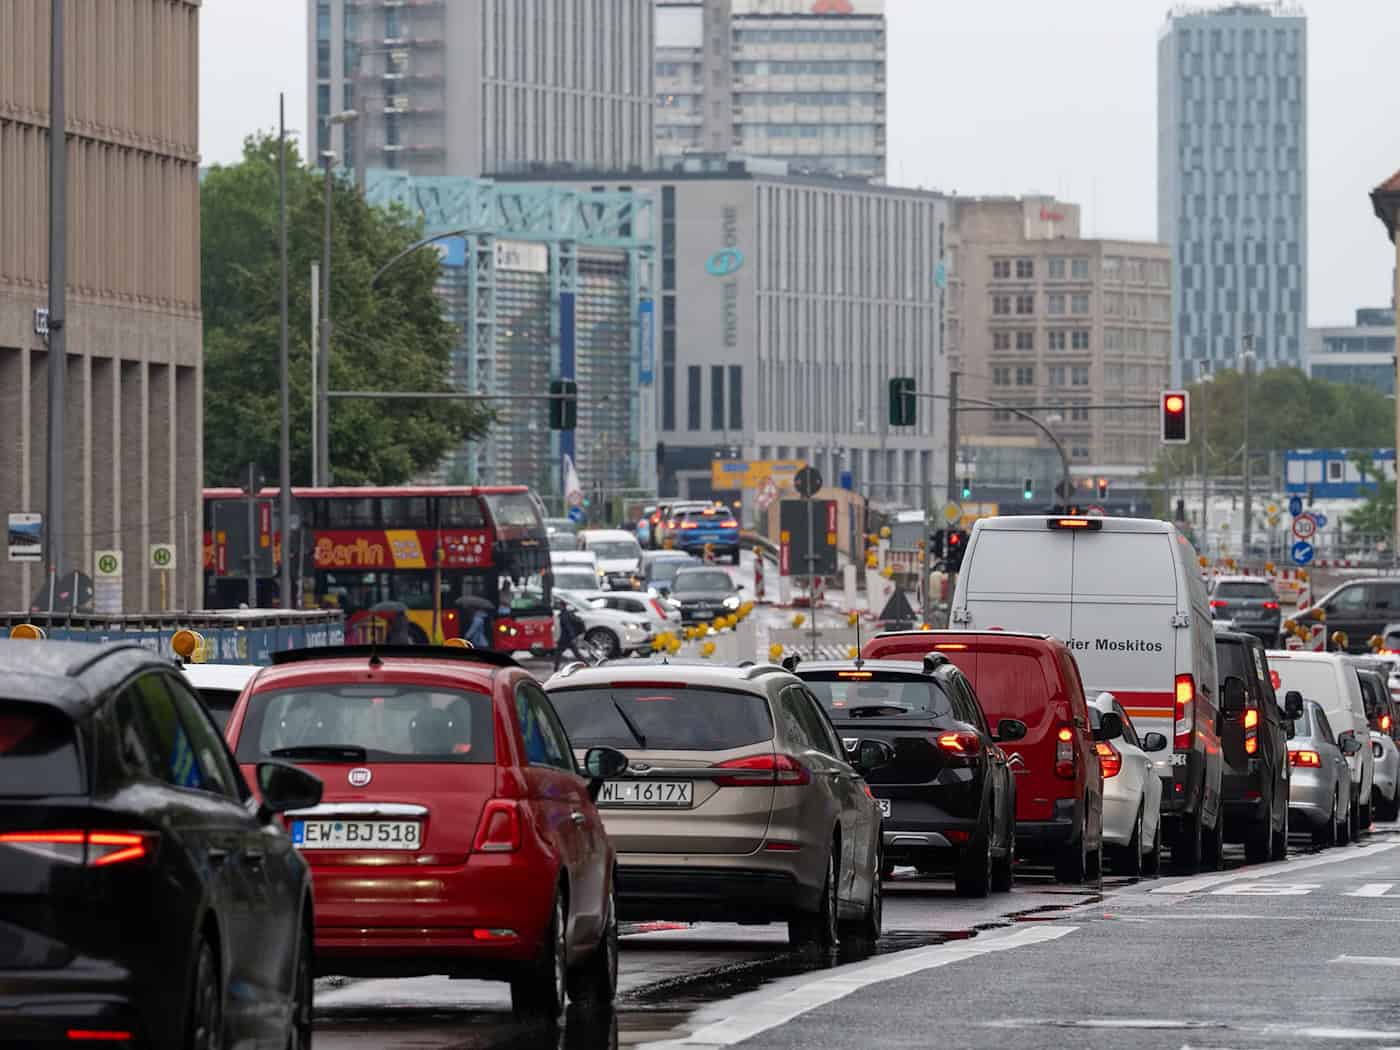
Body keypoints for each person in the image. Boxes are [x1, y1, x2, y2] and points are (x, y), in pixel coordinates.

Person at [553, 599, 590, 670]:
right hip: (568, 638)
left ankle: (555, 669)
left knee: (558, 654)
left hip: (565, 639)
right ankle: (587, 665)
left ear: (562, 606)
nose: (557, 606)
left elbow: (568, 627)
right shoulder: (567, 613)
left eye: (558, 604)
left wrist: (572, 637)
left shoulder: (564, 616)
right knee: (577, 654)